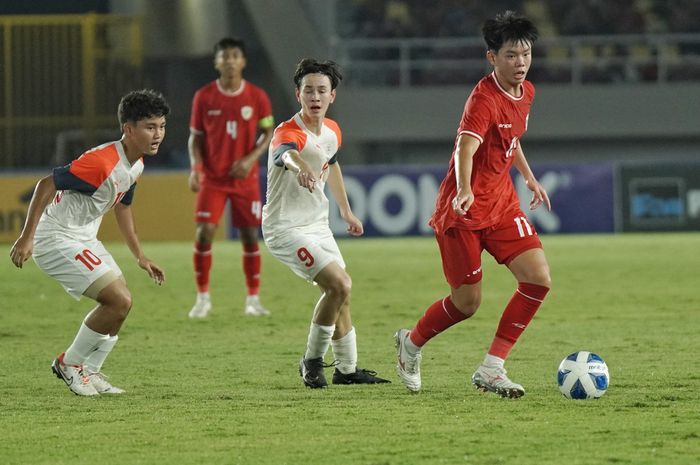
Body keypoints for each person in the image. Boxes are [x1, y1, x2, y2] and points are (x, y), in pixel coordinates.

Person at [395, 11, 552, 398]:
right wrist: (464, 188)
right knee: (467, 304)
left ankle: (492, 367)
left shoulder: (526, 92)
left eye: (526, 54)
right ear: (492, 58)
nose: (521, 63)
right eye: (512, 56)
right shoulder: (482, 100)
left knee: (538, 278)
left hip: (502, 205)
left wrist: (528, 176)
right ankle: (410, 344)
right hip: (462, 212)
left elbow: (510, 140)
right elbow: (467, 145)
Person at [9, 89, 170, 396]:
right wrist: (26, 237)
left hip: (83, 238)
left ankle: (90, 370)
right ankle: (69, 363)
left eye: (161, 126)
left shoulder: (135, 165)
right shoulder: (102, 162)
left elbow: (123, 206)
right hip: (56, 237)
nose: (158, 134)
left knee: (123, 304)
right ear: (128, 128)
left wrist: (140, 256)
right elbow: (46, 184)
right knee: (117, 300)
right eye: (150, 127)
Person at [262, 58, 390, 388]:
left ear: (332, 95)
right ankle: (312, 361)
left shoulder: (332, 130)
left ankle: (347, 370)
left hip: (317, 225)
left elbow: (331, 165)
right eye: (308, 91)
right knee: (340, 285)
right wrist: (299, 166)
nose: (315, 97)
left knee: (339, 294)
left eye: (321, 90)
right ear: (298, 94)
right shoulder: (286, 132)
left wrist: (346, 212)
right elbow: (285, 154)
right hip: (284, 228)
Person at [187, 37, 275, 319]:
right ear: (216, 62)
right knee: (204, 233)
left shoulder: (257, 97)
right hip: (213, 178)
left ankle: (253, 300)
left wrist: (250, 159)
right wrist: (195, 168)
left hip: (245, 179)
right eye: (224, 56)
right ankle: (202, 299)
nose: (229, 61)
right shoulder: (204, 96)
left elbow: (268, 132)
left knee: (250, 236)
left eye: (235, 55)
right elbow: (195, 138)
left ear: (243, 61)